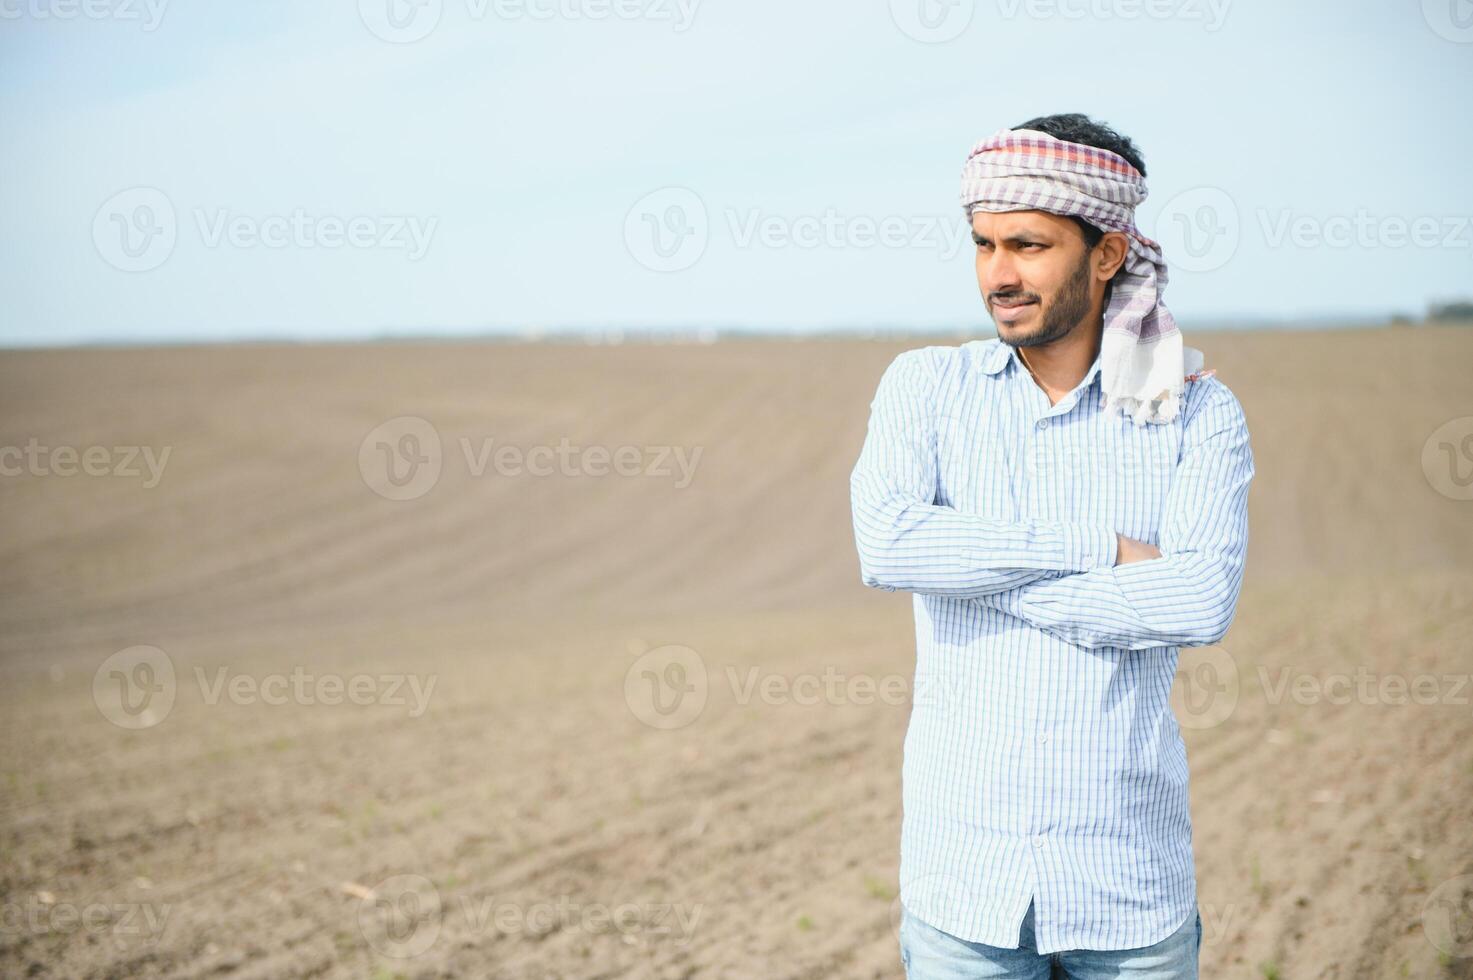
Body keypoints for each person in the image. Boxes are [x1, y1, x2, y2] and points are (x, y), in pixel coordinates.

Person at [849, 113, 1254, 979]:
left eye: (1027, 245)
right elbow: (886, 543)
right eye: (983, 245)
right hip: (963, 888)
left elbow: (1195, 601)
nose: (999, 274)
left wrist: (976, 573)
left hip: (1125, 888)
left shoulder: (1194, 409)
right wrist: (1102, 548)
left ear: (1107, 254)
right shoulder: (925, 386)